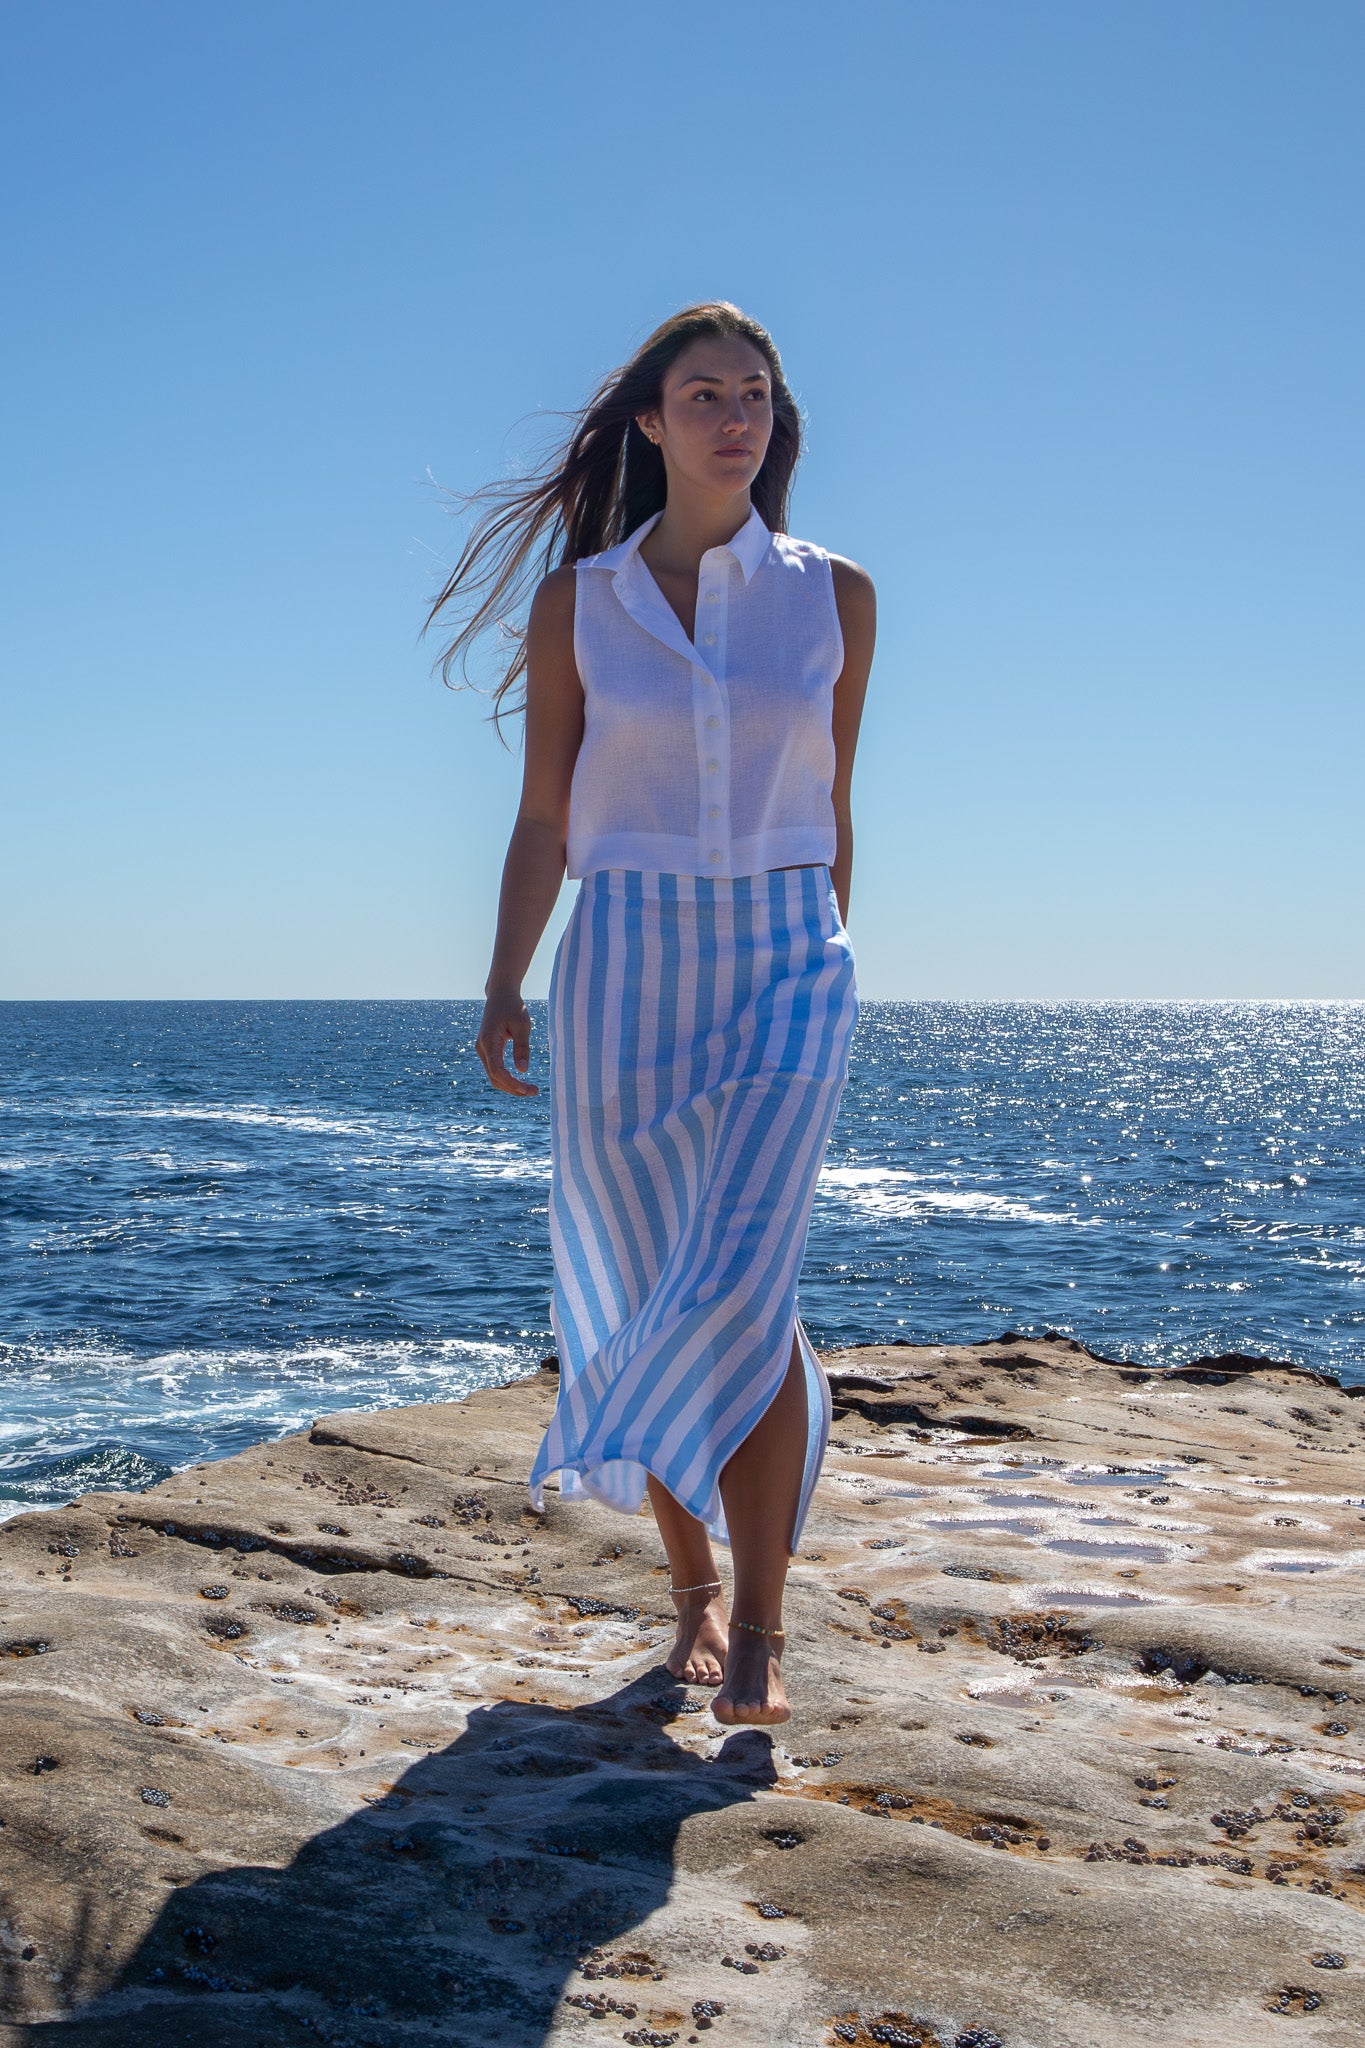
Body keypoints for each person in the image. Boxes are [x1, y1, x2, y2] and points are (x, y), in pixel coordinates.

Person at [428, 302, 874, 1725]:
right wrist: (504, 975)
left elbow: (833, 800)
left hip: (788, 954)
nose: (733, 418)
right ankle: (685, 1599)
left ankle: (759, 1628)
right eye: (703, 395)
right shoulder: (581, 603)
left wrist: (831, 934)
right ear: (650, 421)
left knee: (741, 1282)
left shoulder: (835, 594)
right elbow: (544, 814)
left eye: (753, 396)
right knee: (645, 1290)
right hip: (623, 960)